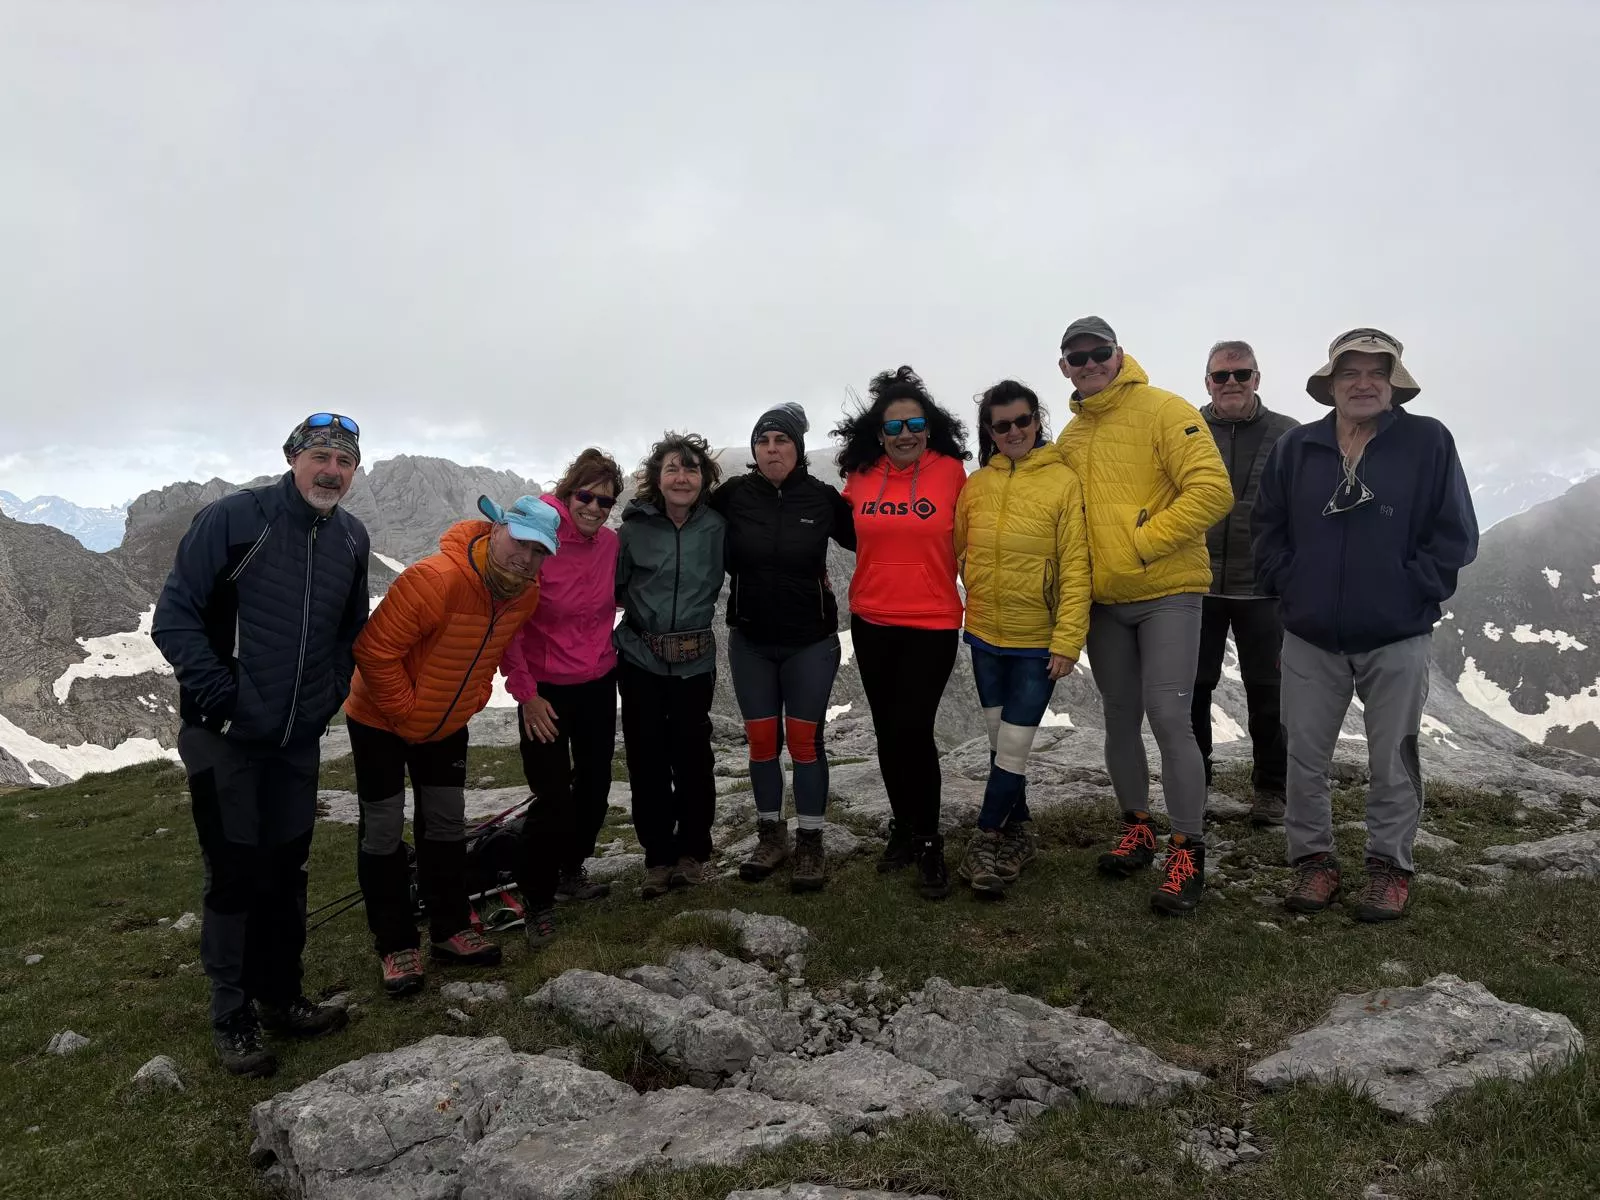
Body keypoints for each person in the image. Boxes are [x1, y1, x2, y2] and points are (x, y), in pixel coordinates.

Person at [152, 412, 369, 1078]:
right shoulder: (235, 519)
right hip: (225, 740)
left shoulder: (351, 539)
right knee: (235, 876)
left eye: (344, 461)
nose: (331, 471)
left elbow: (347, 633)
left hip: (296, 741)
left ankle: (281, 997)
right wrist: (227, 697)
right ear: (294, 458)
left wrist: (325, 699)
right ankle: (232, 1015)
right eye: (321, 456)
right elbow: (175, 616)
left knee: (287, 872)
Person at [1253, 328, 1477, 922]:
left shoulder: (1428, 441)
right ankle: (1314, 863)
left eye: (1378, 371)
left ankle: (1388, 869)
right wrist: (1290, 583)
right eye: (1350, 371)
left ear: (1394, 383)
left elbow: (1454, 533)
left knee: (1394, 756)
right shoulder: (1298, 448)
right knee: (1303, 755)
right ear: (1330, 384)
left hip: (1397, 635)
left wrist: (1412, 589)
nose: (1364, 382)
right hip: (1309, 635)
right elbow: (1267, 525)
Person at [1055, 316, 1233, 915]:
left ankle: (1187, 848)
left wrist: (1141, 543)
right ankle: (1136, 827)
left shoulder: (1164, 408)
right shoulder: (1069, 441)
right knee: (1119, 715)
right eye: (1077, 358)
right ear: (1065, 368)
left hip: (1168, 593)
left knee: (1167, 714)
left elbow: (1213, 489)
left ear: (1118, 353)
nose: (1090, 365)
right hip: (1106, 604)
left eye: (1099, 353)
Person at [344, 494, 554, 995]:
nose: (526, 559)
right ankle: (396, 946)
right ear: (498, 529)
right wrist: (409, 714)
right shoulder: (435, 579)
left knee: (443, 827)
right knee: (383, 832)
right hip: (379, 721)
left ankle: (450, 929)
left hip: (446, 724)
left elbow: (495, 651)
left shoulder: (523, 595)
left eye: (540, 552)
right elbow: (373, 652)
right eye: (520, 543)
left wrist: (474, 698)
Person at [834, 366, 971, 899]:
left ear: (930, 426)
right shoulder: (862, 477)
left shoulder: (953, 473)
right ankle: (903, 827)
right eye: (893, 427)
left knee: (914, 727)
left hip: (932, 621)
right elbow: (846, 532)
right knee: (889, 731)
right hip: (871, 619)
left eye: (914, 423)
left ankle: (930, 841)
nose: (905, 434)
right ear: (878, 433)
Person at [709, 403, 856, 892]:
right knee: (762, 744)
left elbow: (870, 536)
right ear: (754, 450)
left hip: (809, 642)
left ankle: (810, 841)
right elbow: (681, 516)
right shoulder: (733, 496)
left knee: (805, 744)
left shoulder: (821, 498)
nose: (773, 449)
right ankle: (771, 836)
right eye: (764, 442)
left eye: (782, 441)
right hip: (750, 641)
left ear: (798, 449)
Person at [953, 381, 1090, 896]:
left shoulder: (1063, 482)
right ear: (989, 431)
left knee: (1012, 748)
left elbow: (1077, 567)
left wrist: (1067, 640)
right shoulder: (976, 485)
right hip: (985, 635)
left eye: (1023, 421)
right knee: (998, 744)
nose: (1014, 432)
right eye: (1001, 425)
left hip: (1037, 641)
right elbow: (957, 549)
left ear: (1038, 420)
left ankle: (986, 838)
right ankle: (1019, 831)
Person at [499, 449, 625, 949]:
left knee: (594, 787)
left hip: (598, 683)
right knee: (552, 796)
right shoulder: (540, 540)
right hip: (545, 692)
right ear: (569, 490)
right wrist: (525, 695)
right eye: (586, 496)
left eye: (606, 501)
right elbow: (510, 624)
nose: (595, 508)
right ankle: (538, 900)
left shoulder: (611, 544)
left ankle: (571, 870)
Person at [1192, 340, 1299, 826]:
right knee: (1192, 688)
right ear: (1207, 381)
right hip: (1195, 583)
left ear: (1258, 378)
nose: (1231, 383)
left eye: (1241, 374)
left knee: (1269, 690)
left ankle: (1272, 790)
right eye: (1221, 376)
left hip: (1264, 588)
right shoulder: (1182, 429)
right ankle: (1194, 782)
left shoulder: (1289, 435)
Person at [615, 432, 726, 899]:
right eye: (673, 469)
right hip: (640, 658)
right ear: (656, 479)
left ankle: (693, 853)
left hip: (695, 661)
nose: (682, 478)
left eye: (691, 469)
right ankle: (658, 857)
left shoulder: (718, 526)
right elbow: (617, 590)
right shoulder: (632, 529)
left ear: (705, 478)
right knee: (647, 759)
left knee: (693, 757)